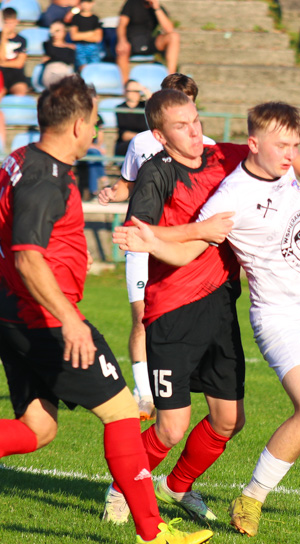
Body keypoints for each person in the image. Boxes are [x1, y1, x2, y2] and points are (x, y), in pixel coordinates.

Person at [0, 75, 213, 544]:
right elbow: (28, 256)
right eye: (92, 123)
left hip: (7, 313)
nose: (95, 133)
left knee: (38, 429)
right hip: (44, 319)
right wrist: (70, 320)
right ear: (74, 126)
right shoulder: (46, 179)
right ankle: (153, 534)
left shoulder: (21, 158)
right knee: (123, 414)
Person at [111, 101, 300, 537]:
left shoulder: (284, 164)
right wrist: (149, 241)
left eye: (295, 144)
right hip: (282, 317)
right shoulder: (232, 196)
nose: (291, 153)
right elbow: (190, 246)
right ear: (254, 145)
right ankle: (250, 496)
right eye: (282, 145)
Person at [99, 73, 214, 423]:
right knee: (142, 317)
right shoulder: (142, 143)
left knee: (185, 320)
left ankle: (179, 382)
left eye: (186, 102)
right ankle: (144, 394)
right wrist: (111, 192)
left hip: (179, 245)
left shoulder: (205, 146)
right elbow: (128, 186)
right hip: (143, 245)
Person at [116, 0, 180, 82]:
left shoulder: (158, 8)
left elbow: (169, 29)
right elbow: (121, 25)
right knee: (122, 49)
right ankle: (126, 86)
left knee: (174, 36)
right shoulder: (131, 3)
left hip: (150, 42)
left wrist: (156, 8)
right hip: (131, 41)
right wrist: (122, 41)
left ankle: (171, 80)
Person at [0, 7, 30, 96]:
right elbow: (1, 57)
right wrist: (3, 37)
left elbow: (19, 63)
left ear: (16, 22)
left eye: (11, 23)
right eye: (6, 23)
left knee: (20, 92)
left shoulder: (22, 40)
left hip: (16, 74)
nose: (8, 26)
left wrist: (0, 63)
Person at [114, 79, 150, 158]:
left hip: (143, 143)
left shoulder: (145, 107)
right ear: (125, 92)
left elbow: (155, 104)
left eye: (137, 91)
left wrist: (145, 90)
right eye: (132, 91)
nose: (135, 94)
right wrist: (144, 137)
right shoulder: (120, 108)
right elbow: (124, 135)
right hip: (127, 144)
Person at [69, 0, 104, 70]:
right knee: (82, 68)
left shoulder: (95, 18)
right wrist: (90, 34)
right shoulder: (76, 18)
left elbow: (98, 38)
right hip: (80, 47)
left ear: (92, 3)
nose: (86, 5)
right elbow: (74, 37)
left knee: (95, 68)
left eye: (88, 3)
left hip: (93, 47)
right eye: (84, 2)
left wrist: (81, 36)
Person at [41, 20, 76, 88]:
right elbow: (51, 52)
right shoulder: (47, 44)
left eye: (57, 31)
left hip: (66, 71)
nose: (55, 33)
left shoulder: (71, 47)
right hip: (52, 71)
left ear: (64, 32)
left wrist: (51, 59)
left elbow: (70, 60)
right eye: (52, 31)